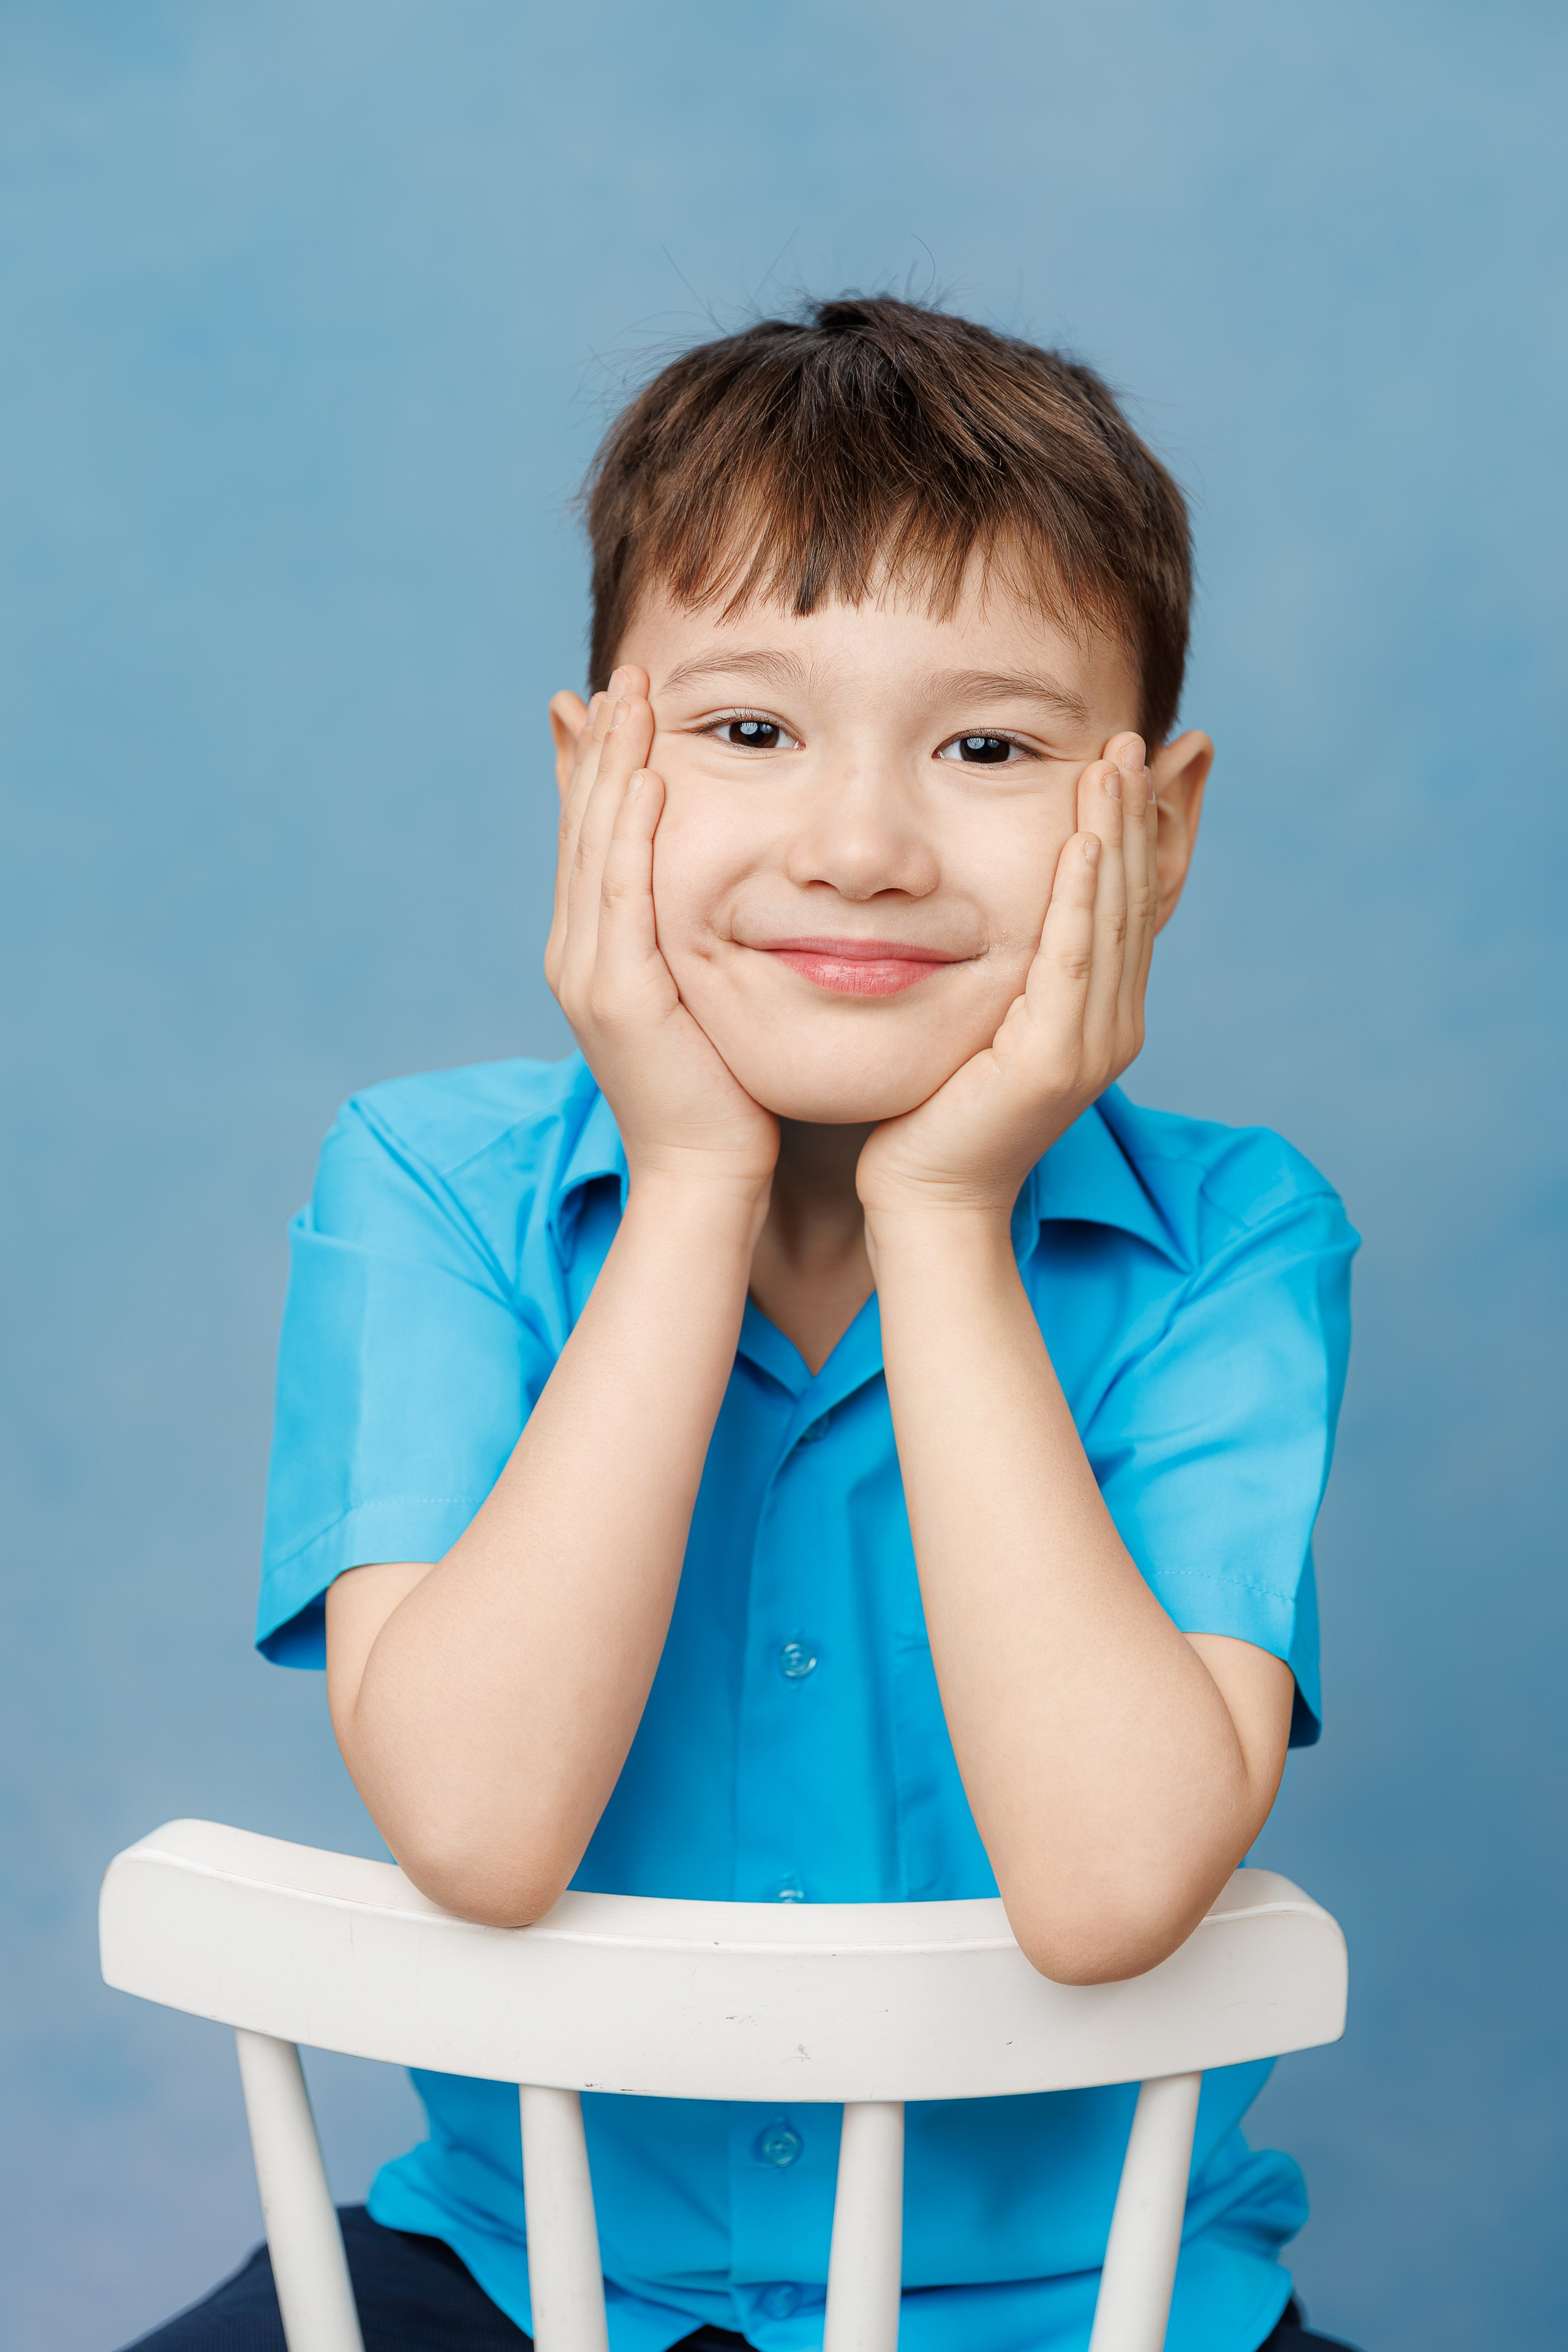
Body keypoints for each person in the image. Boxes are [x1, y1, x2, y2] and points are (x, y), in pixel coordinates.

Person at [126, 297, 1360, 2352]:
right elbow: (480, 1829)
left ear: (1155, 826)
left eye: (988, 746)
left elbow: (1114, 1888)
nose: (858, 848)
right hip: (513, 2271)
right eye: (748, 729)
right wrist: (691, 1182)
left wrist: (951, 1211)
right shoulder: (425, 1187)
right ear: (591, 769)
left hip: (1082, 2301)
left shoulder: (1234, 1241)